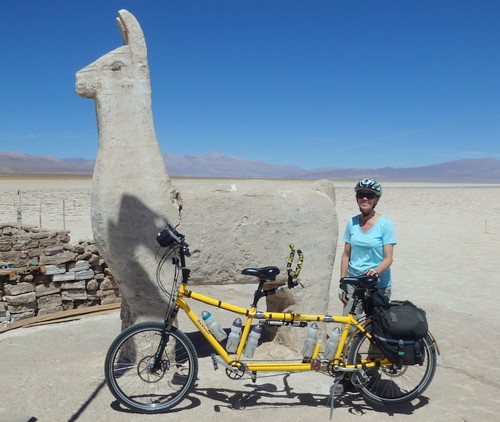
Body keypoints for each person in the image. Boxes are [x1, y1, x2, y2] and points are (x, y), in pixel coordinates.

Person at [339, 178, 396, 317]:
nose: (364, 198)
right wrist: (342, 282)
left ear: (377, 199)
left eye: (369, 195)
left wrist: (375, 270)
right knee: (349, 327)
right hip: (354, 283)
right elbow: (346, 254)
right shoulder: (352, 223)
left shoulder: (385, 224)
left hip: (378, 284)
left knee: (377, 328)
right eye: (361, 195)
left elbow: (388, 259)